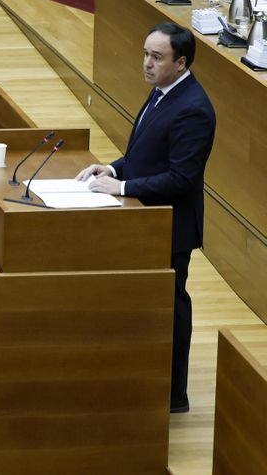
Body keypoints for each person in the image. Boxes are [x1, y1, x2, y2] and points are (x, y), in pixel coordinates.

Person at [76, 23, 216, 415]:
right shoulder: (164, 92)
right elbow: (143, 153)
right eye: (145, 53)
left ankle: (174, 396)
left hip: (168, 228)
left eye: (156, 57)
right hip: (146, 222)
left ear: (181, 62)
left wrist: (122, 189)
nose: (147, 63)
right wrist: (113, 168)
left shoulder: (194, 109)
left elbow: (181, 177)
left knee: (171, 308)